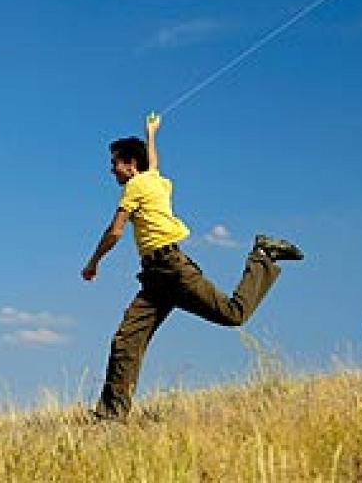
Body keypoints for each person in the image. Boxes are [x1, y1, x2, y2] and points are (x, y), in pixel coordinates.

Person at [82, 112, 304, 421]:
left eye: (115, 163)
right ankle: (111, 416)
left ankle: (263, 256)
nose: (111, 170)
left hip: (172, 269)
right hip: (155, 277)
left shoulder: (134, 186)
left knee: (233, 314)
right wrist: (151, 134)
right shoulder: (155, 180)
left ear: (131, 165)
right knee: (126, 341)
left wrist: (93, 263)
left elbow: (115, 230)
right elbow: (153, 163)